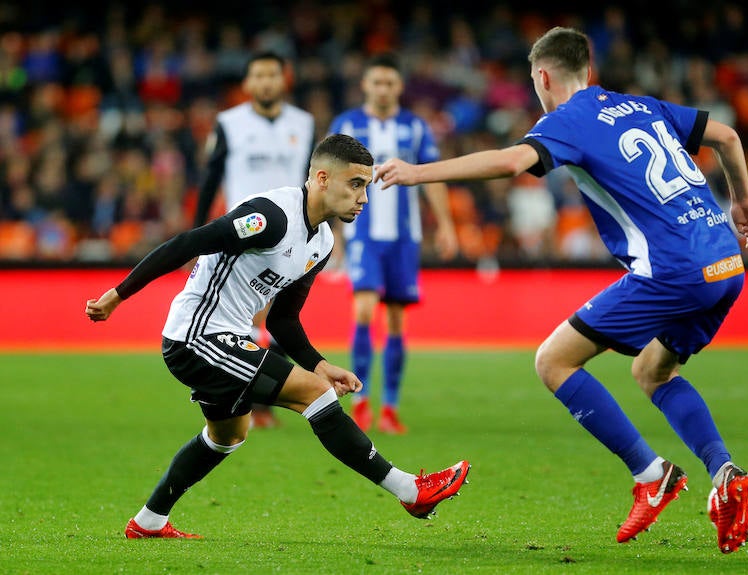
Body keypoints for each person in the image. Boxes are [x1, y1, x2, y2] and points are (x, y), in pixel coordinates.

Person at [375, 27, 748, 554]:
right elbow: (728, 137)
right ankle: (726, 473)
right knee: (652, 371)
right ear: (588, 69)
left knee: (553, 361)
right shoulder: (642, 105)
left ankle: (651, 475)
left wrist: (418, 173)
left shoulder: (567, 120)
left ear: (543, 76)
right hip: (726, 261)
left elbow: (510, 163)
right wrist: (742, 200)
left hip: (672, 269)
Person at [85, 134, 470, 539]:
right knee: (314, 395)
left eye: (366, 186)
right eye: (355, 184)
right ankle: (409, 490)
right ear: (322, 178)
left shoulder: (321, 242)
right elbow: (187, 242)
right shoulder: (271, 216)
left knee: (227, 436)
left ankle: (149, 521)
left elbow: (283, 321)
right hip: (196, 336)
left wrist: (320, 364)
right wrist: (117, 295)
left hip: (229, 338)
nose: (363, 198)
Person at [327, 52, 458, 434]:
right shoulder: (346, 124)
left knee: (397, 321)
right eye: (377, 82)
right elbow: (329, 180)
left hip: (404, 237)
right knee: (365, 310)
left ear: (399, 86)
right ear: (365, 85)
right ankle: (361, 401)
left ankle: (390, 407)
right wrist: (333, 231)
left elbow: (432, 176)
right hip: (362, 234)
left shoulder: (415, 127)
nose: (383, 89)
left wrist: (446, 224)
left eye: (389, 82)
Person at [193, 50, 317, 429]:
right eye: (258, 75)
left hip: (292, 234)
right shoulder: (228, 123)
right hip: (242, 236)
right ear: (247, 83)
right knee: (242, 318)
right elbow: (211, 179)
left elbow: (316, 181)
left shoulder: (304, 123)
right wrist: (197, 235)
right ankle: (245, 400)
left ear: (284, 80)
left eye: (272, 75)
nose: (265, 82)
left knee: (281, 318)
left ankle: (262, 400)